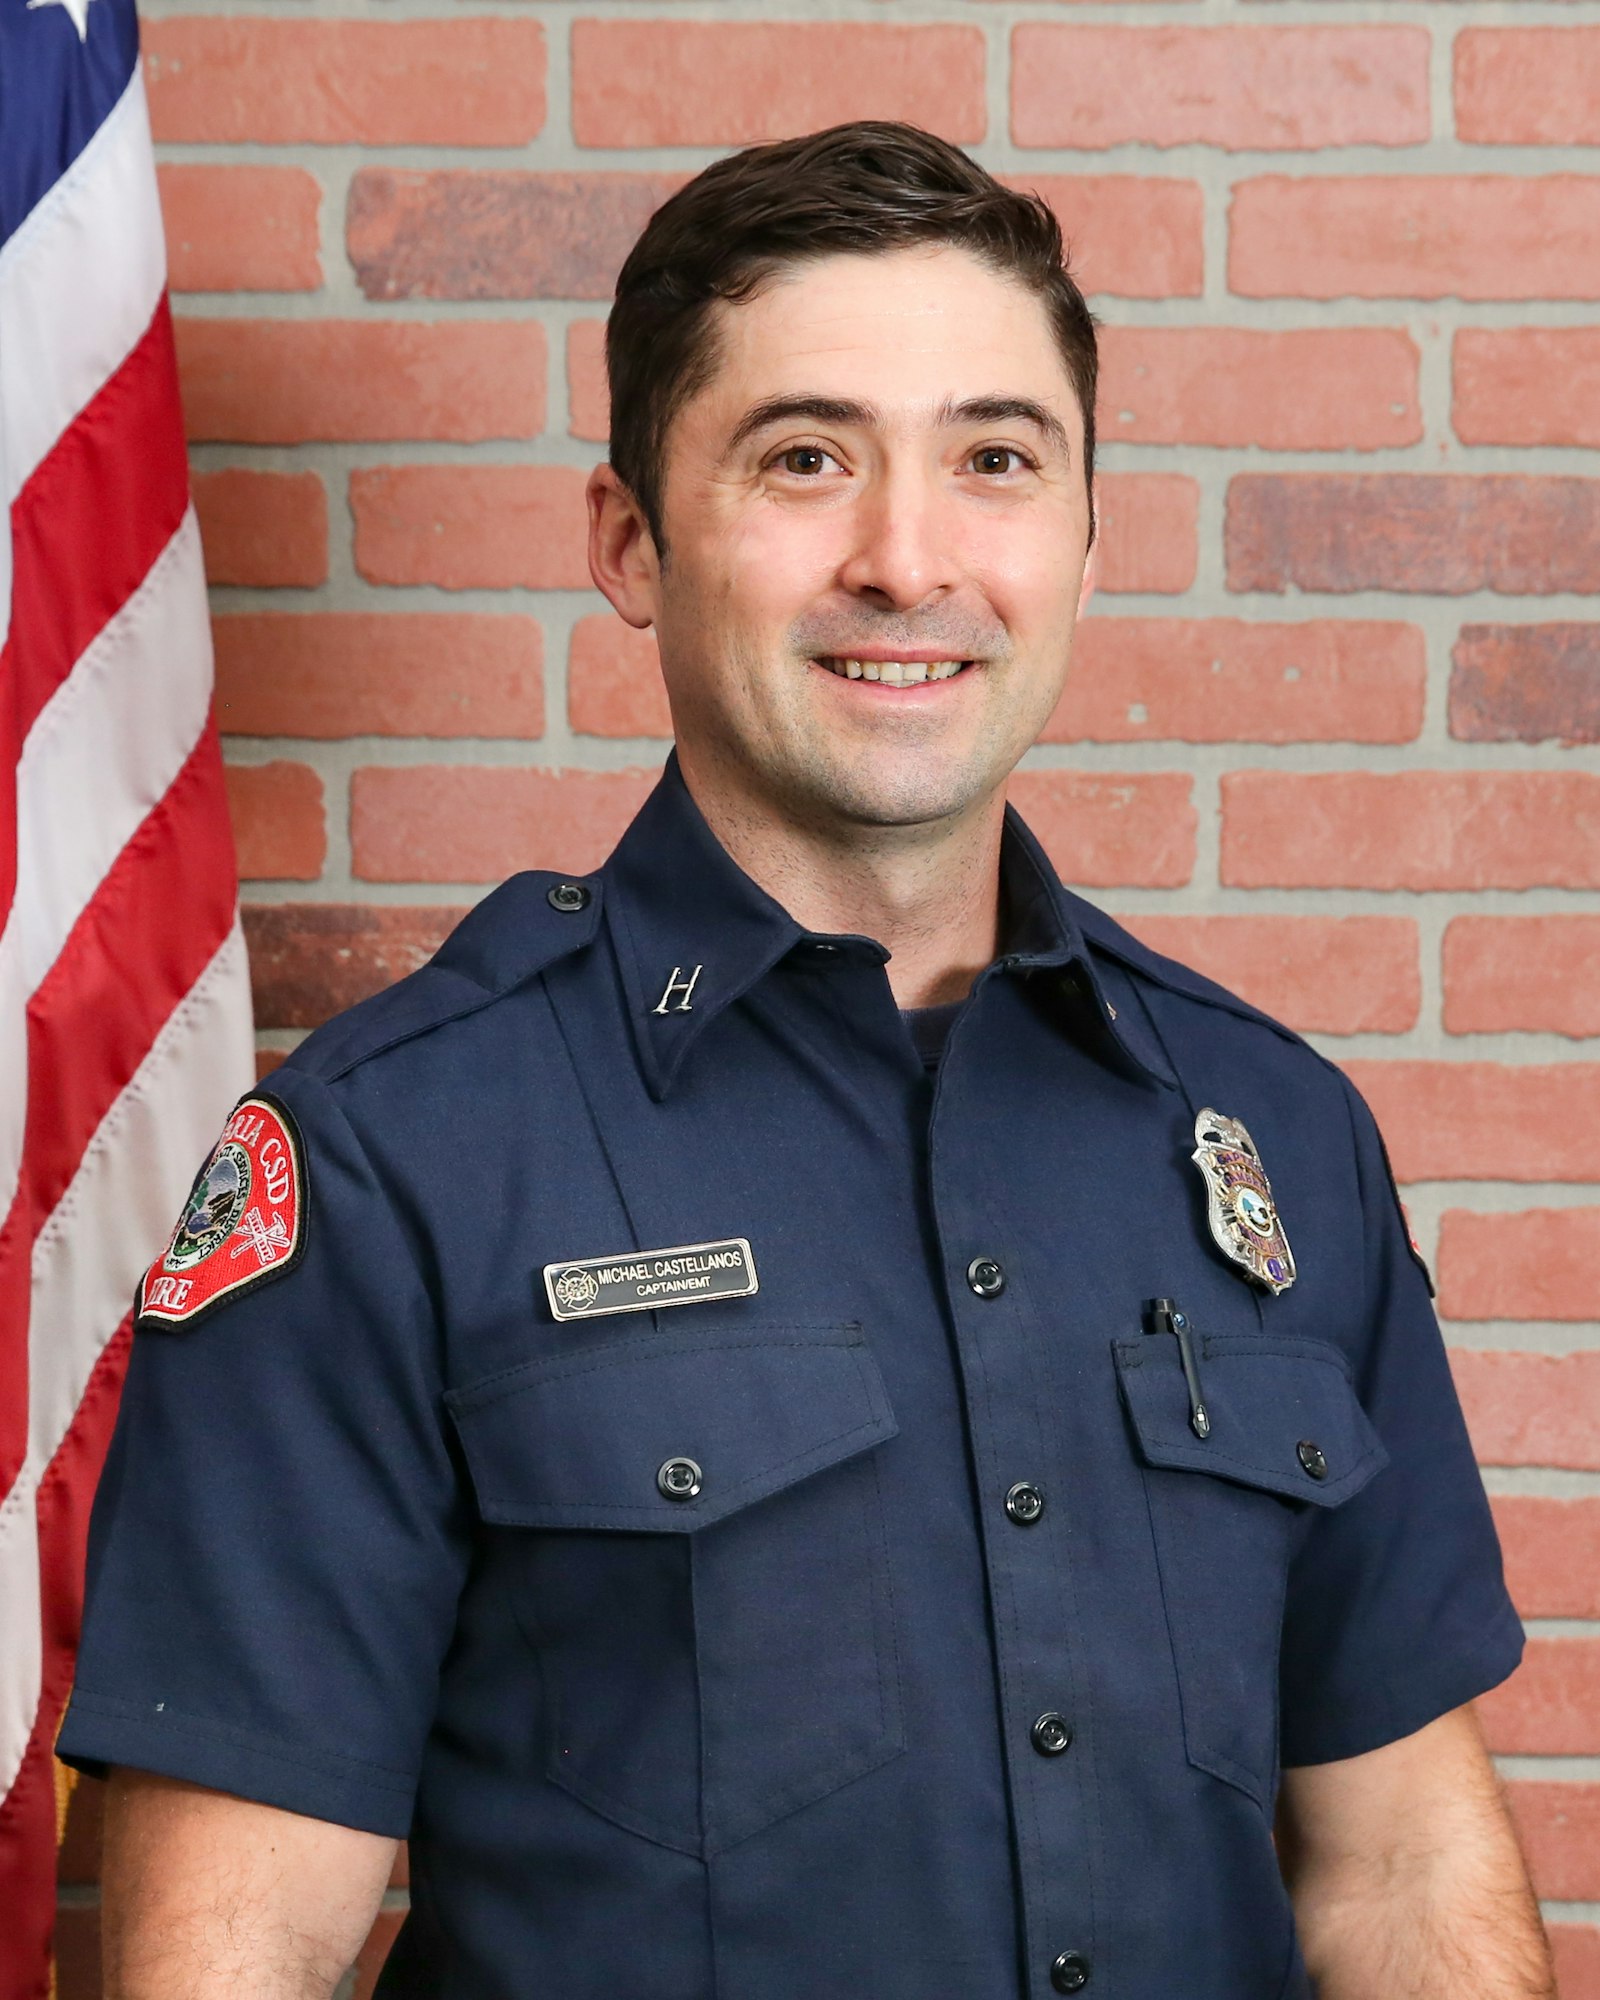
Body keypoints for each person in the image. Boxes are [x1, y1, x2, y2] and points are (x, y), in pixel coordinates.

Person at [59, 122, 1553, 2000]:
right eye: (805, 458)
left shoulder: (1277, 1135)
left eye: (996, 460)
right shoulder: (387, 1161)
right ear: (632, 544)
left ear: (1087, 540)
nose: (907, 561)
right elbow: (232, 1955)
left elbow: (1405, 1872)